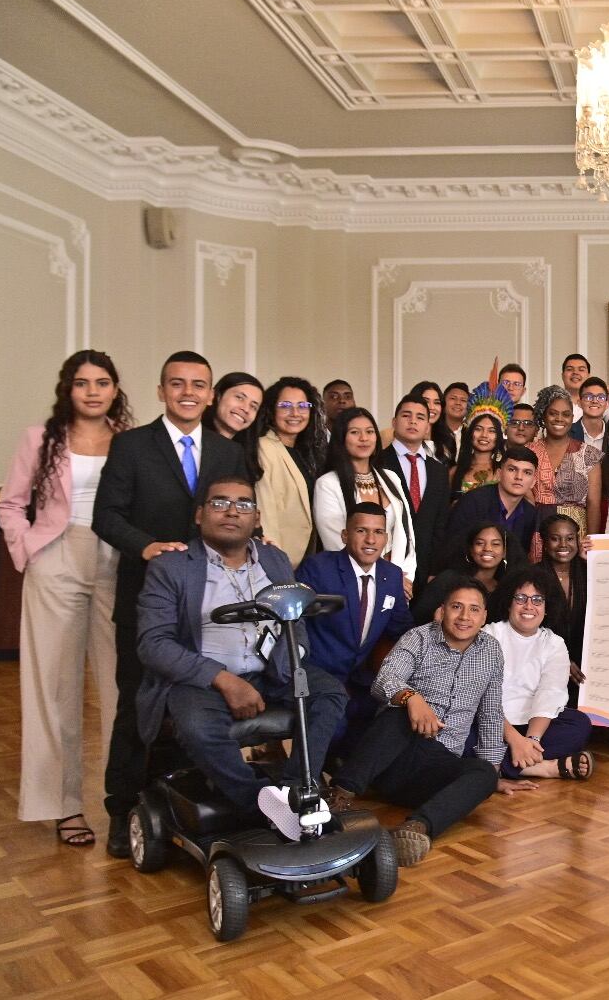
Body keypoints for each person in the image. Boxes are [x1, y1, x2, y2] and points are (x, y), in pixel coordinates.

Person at [93, 350, 249, 856]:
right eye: (177, 383)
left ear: (210, 394)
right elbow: (106, 516)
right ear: (161, 391)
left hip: (212, 607)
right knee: (139, 704)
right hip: (149, 599)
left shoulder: (228, 453)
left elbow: (241, 515)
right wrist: (146, 546)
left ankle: (194, 802)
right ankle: (124, 810)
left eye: (198, 384)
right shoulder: (132, 446)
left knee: (200, 702)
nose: (188, 392)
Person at [135, 477, 346, 843]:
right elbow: (153, 644)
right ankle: (259, 805)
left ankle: (293, 788)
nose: (232, 511)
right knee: (198, 727)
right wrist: (225, 681)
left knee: (331, 694)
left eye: (244, 505)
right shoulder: (172, 567)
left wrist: (293, 659)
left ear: (257, 517)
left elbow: (295, 619)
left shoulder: (275, 559)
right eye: (220, 503)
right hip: (201, 680)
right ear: (200, 514)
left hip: (271, 671)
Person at [0, 349, 131, 847]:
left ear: (115, 389)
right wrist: (28, 551)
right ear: (67, 389)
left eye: (102, 382)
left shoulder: (131, 442)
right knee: (54, 687)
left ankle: (125, 798)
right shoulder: (41, 439)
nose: (92, 391)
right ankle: (64, 805)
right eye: (82, 382)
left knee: (122, 684)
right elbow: (9, 502)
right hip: (56, 556)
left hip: (117, 561)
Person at [329, 578, 504, 865]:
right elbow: (384, 679)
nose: (464, 616)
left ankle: (416, 829)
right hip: (394, 756)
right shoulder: (418, 638)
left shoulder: (492, 651)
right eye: (456, 607)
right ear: (442, 610)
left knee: (484, 773)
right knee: (397, 715)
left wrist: (493, 772)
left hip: (436, 767)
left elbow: (491, 712)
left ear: (484, 616)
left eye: (474, 610)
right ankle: (338, 796)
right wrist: (412, 698)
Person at [297, 502, 414, 746]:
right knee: (336, 725)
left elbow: (400, 628)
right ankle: (305, 780)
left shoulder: (392, 575)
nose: (371, 539)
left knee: (385, 722)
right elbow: (294, 626)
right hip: (317, 673)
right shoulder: (318, 568)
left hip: (361, 678)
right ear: (345, 535)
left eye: (378, 532)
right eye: (362, 531)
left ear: (386, 538)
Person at [484, 567, 596, 781]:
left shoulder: (554, 643)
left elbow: (550, 693)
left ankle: (502, 765)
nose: (529, 606)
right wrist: (515, 740)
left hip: (532, 724)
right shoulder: (489, 635)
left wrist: (531, 739)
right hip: (492, 722)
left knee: (579, 723)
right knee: (461, 729)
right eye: (521, 598)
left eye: (537, 600)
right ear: (509, 603)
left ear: (547, 608)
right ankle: (541, 768)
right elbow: (482, 697)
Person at [314, 407, 417, 585]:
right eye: (355, 432)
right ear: (341, 439)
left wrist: (404, 576)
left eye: (369, 432)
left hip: (399, 580)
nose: (364, 438)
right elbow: (336, 543)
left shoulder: (391, 478)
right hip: (352, 582)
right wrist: (387, 577)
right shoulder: (328, 484)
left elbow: (407, 534)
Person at [378, 393, 450, 579]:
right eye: (406, 415)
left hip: (426, 569)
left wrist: (435, 571)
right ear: (394, 422)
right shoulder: (377, 463)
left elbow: (440, 526)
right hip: (386, 563)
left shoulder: (439, 471)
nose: (412, 421)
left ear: (427, 426)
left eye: (420, 417)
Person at [254, 377, 323, 564]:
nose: (295, 413)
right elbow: (265, 510)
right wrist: (274, 560)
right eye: (285, 405)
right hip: (278, 556)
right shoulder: (264, 448)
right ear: (272, 410)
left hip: (303, 557)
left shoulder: (305, 452)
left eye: (302, 405)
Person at [446, 445, 554, 558]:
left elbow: (519, 558)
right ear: (498, 474)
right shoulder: (473, 502)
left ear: (533, 482)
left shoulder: (530, 513)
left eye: (527, 472)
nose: (519, 477)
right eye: (512, 469)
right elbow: (452, 548)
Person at [530, 386, 601, 536]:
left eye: (566, 414)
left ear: (572, 417)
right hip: (536, 530)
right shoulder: (529, 452)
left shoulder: (589, 454)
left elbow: (594, 504)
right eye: (553, 413)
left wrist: (592, 543)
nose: (559, 419)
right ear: (544, 416)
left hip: (576, 535)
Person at [535, 513, 588, 695]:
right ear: (543, 542)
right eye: (555, 539)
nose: (563, 545)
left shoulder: (589, 572)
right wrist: (561, 659)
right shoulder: (532, 578)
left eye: (570, 538)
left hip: (588, 667)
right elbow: (529, 630)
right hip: (544, 668)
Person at [452, 412, 506, 496]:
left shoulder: (505, 471)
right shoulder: (454, 472)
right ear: (470, 433)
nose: (484, 435)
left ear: (498, 436)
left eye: (491, 431)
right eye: (478, 429)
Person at [203, 372, 264, 443]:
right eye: (239, 397)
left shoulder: (243, 451)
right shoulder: (192, 438)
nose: (246, 409)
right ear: (218, 396)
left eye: (253, 406)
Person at [570, 375, 609, 453]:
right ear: (579, 403)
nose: (595, 401)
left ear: (607, 404)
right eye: (588, 397)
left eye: (600, 397)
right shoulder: (567, 433)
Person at [436, 381, 470, 464]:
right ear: (443, 403)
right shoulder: (432, 431)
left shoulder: (471, 435)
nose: (458, 403)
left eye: (463, 400)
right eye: (453, 398)